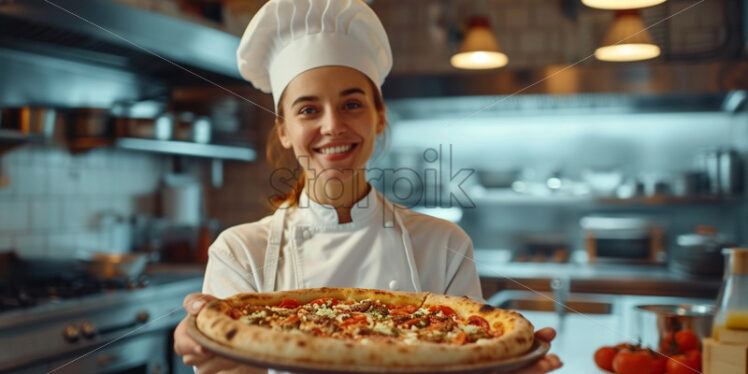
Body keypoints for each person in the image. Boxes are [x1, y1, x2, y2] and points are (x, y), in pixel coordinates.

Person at [174, 1, 563, 373]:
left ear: (379, 117)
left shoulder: (445, 245)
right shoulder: (239, 253)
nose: (332, 126)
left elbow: (472, 359)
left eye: (352, 104)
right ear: (284, 131)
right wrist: (220, 359)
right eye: (309, 109)